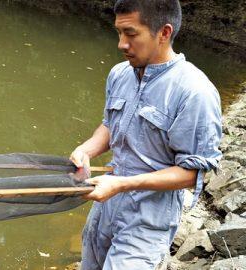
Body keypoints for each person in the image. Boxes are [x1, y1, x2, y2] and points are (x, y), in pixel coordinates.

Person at [69, 0, 222, 269]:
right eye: (119, 33)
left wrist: (123, 184)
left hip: (148, 221)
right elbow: (108, 125)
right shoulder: (119, 74)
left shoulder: (195, 92)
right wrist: (87, 149)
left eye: (131, 34)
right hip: (105, 207)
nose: (121, 44)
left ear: (163, 32)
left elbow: (192, 174)